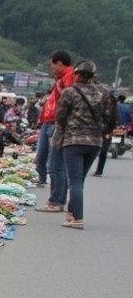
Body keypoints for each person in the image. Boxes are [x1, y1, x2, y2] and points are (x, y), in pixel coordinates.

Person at [54, 60, 114, 230]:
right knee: (79, 180)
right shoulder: (103, 93)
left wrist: (59, 138)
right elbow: (109, 116)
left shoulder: (70, 92)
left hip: (74, 140)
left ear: (77, 74)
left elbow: (61, 117)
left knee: (74, 180)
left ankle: (78, 218)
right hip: (95, 142)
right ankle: (71, 215)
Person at [35, 50, 75, 212]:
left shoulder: (68, 79)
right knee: (44, 158)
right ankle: (57, 198)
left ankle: (56, 201)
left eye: (52, 65)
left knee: (56, 164)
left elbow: (67, 104)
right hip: (48, 122)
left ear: (59, 63)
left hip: (56, 124)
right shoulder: (60, 79)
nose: (51, 68)